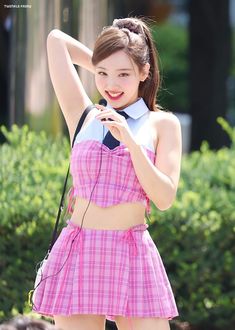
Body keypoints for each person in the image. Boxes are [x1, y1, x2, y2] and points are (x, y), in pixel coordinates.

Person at [31, 17, 182, 330]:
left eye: (124, 74)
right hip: (79, 249)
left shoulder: (162, 124)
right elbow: (56, 39)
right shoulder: (83, 114)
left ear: (145, 71)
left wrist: (129, 139)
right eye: (102, 74)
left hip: (131, 251)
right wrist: (111, 63)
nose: (111, 85)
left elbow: (165, 197)